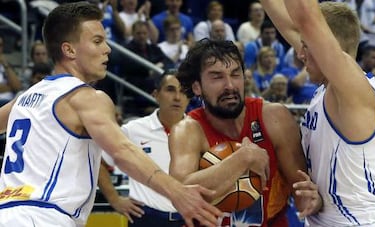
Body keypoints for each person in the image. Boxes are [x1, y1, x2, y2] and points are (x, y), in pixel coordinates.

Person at [0, 2, 221, 227]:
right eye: (97, 41)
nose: (108, 49)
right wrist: (177, 192)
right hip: (45, 215)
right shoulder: (86, 97)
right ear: (69, 50)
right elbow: (121, 151)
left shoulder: (26, 97)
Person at [261, 0, 375, 226]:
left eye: (306, 46)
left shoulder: (352, 90)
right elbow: (289, 22)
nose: (300, 55)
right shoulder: (327, 81)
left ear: (327, 46)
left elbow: (306, 16)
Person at [169, 39, 319, 226]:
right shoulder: (188, 130)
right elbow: (179, 192)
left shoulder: (274, 117)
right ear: (197, 87)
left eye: (235, 74)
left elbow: (303, 193)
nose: (230, 85)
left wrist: (315, 200)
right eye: (217, 77)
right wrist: (243, 158)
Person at [99, 69, 190, 226]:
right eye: (170, 89)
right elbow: (99, 162)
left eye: (183, 92)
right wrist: (115, 200)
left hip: (188, 218)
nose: (177, 97)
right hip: (145, 218)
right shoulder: (133, 130)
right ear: (155, 94)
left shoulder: (199, 131)